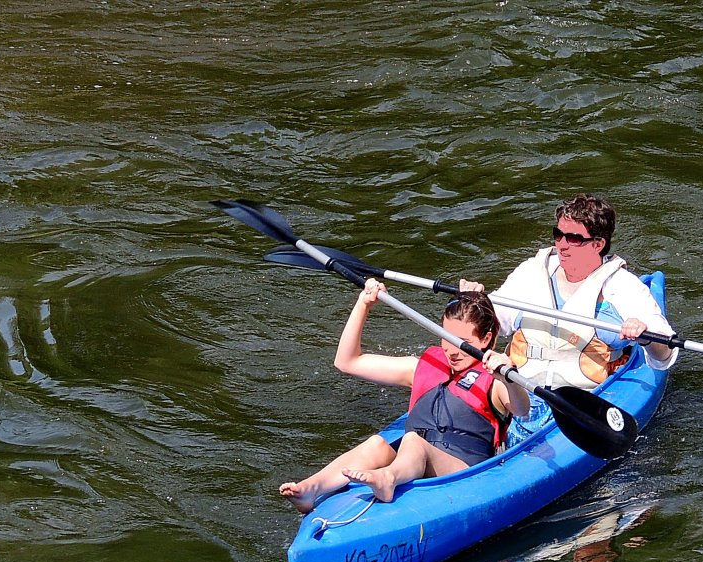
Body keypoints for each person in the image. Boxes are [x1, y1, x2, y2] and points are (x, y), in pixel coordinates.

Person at [279, 278, 529, 513]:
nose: (452, 351)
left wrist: (508, 376)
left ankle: (388, 478)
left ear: (485, 339)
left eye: (462, 341)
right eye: (446, 338)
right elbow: (347, 361)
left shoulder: (495, 379)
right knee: (376, 445)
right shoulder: (420, 367)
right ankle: (312, 488)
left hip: (464, 471)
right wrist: (363, 304)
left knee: (412, 442)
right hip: (414, 462)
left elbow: (521, 409)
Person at [460, 193, 678, 443]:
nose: (562, 244)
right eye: (558, 234)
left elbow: (664, 356)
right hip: (518, 390)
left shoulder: (623, 287)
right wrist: (473, 303)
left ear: (598, 244)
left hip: (582, 399)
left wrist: (646, 336)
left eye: (573, 238)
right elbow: (491, 325)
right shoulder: (532, 271)